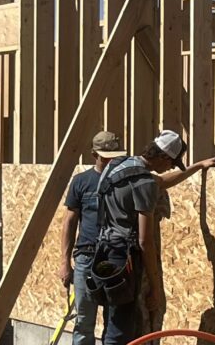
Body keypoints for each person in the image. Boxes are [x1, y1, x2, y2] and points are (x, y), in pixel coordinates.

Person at [87, 130, 215, 344]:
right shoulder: (144, 183)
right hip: (125, 261)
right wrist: (156, 289)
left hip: (105, 251)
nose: (172, 167)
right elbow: (144, 241)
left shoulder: (120, 165)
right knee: (122, 329)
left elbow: (161, 181)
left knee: (112, 319)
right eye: (172, 162)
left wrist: (197, 166)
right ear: (163, 156)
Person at [59, 131, 128, 345]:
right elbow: (69, 222)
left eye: (115, 157)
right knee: (83, 321)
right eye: (106, 157)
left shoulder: (124, 180)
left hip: (114, 258)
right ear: (94, 155)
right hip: (87, 257)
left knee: (114, 321)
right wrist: (65, 263)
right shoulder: (81, 182)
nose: (111, 161)